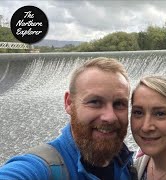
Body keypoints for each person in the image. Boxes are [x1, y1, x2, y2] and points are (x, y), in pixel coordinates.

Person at [0, 57, 137, 180]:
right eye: (95, 102)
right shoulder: (43, 167)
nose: (110, 117)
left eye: (119, 104)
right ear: (69, 103)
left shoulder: (126, 164)